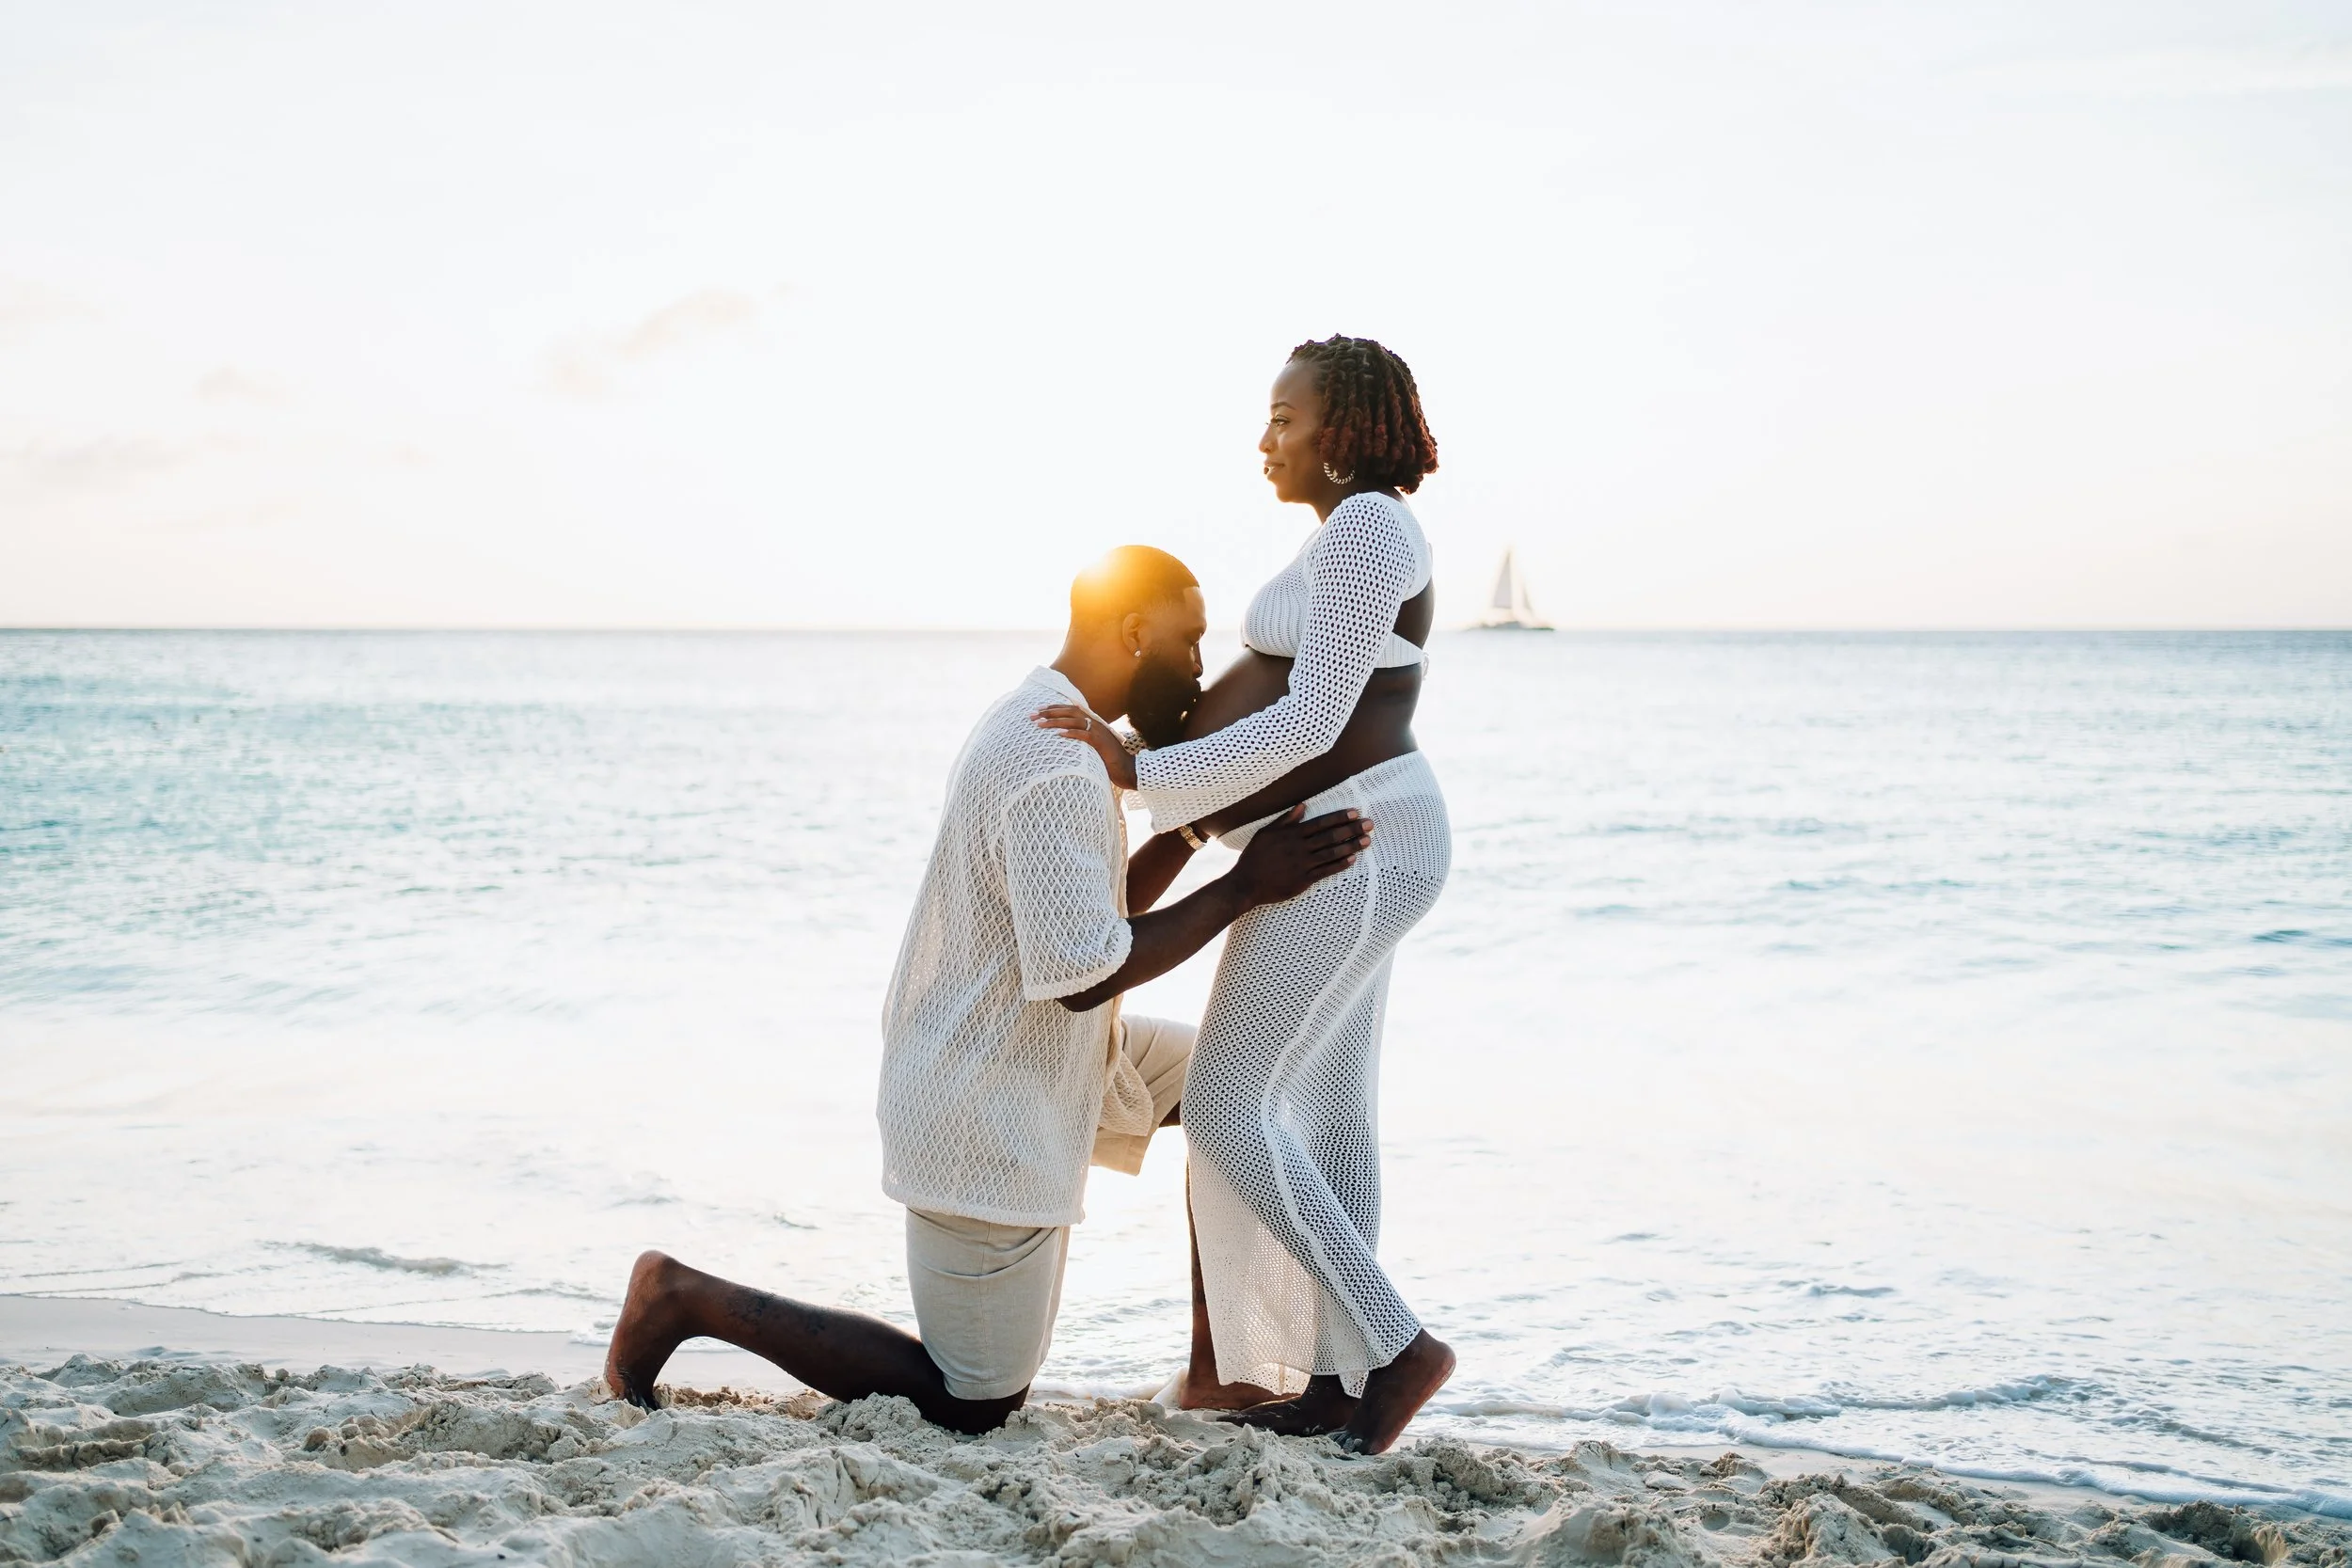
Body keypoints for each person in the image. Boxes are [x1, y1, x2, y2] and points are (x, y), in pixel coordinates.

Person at [601, 546, 1373, 1433]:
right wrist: (1245, 887)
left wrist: (1195, 825)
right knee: (975, 1399)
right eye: (1190, 642)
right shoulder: (1051, 760)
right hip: (983, 1107)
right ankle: (683, 1297)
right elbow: (1086, 974)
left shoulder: (1051, 721)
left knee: (1230, 1086)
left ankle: (1218, 1369)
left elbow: (1089, 909)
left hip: (1056, 1065)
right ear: (1133, 631)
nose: (1199, 669)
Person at [1036, 336, 1453, 1454]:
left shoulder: (1368, 525)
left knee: (1223, 1108)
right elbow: (1285, 702)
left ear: (1346, 427)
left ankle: (1397, 1346)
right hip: (1351, 833)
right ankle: (1334, 1380)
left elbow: (1315, 717)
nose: (1266, 438)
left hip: (1350, 834)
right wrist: (1156, 768)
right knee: (1329, 1114)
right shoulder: (1343, 536)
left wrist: (1140, 774)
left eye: (1284, 416)